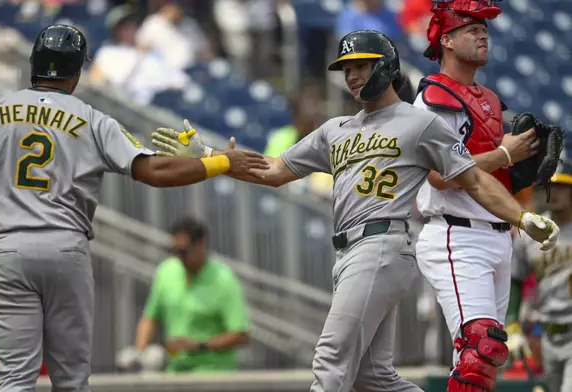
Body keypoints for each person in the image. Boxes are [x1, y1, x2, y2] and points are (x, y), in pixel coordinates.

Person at [150, 29, 560, 392]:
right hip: (348, 253)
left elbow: (471, 177)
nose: (351, 76)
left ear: (386, 65)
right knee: (373, 378)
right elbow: (275, 170)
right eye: (346, 69)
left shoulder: (418, 123)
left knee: (330, 360)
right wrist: (208, 155)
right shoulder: (335, 129)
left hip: (383, 242)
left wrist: (520, 216)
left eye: (360, 66)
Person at [0, 24, 267, 392]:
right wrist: (220, 162)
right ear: (77, 73)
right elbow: (152, 170)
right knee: (72, 381)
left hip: (7, 248)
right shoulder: (92, 119)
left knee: (14, 380)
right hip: (65, 246)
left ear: (33, 64)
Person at [412, 1, 557, 391]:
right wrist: (506, 153)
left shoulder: (490, 99)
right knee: (480, 345)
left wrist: (517, 173)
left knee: (484, 359)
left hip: (495, 236)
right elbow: (440, 174)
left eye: (485, 30)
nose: (482, 35)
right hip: (455, 235)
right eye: (471, 29)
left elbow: (486, 174)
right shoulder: (433, 97)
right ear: (446, 39)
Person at [134, 216, 249, 373]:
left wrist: (199, 346)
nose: (179, 257)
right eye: (175, 251)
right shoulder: (166, 272)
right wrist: (139, 355)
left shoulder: (224, 280)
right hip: (175, 375)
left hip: (215, 377)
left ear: (201, 245)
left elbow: (240, 335)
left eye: (183, 251)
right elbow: (149, 319)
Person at [509, 158, 572, 392]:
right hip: (547, 335)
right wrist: (512, 324)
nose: (554, 192)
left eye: (562, 186)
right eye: (549, 185)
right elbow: (515, 279)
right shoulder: (532, 231)